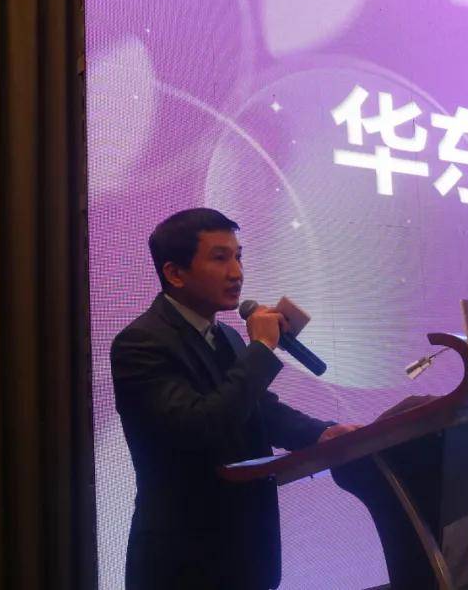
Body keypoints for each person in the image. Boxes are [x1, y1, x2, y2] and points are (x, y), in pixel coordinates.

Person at [111, 208, 357, 589]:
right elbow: (203, 427)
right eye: (220, 258)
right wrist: (261, 348)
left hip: (245, 554)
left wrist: (320, 434)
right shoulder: (140, 343)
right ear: (175, 273)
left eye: (238, 256)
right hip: (184, 561)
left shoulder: (225, 336)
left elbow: (258, 411)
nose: (237, 272)